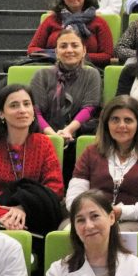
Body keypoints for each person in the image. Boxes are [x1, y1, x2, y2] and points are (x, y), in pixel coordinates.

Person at [0, 85, 64, 238]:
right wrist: (1, 214)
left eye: (26, 104)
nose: (22, 110)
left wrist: (23, 208)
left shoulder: (44, 144)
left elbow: (55, 187)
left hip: (32, 214)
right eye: (14, 105)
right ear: (1, 113)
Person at [67, 96, 138, 232]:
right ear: (106, 124)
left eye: (128, 120)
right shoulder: (90, 152)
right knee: (66, 231)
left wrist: (119, 211)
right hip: (90, 217)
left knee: (115, 235)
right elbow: (74, 197)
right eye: (115, 119)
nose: (121, 125)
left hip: (133, 221)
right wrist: (93, 213)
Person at [30, 27, 101, 179]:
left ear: (84, 50)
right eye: (63, 46)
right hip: (44, 133)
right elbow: (35, 112)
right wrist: (53, 136)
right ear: (56, 52)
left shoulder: (92, 74)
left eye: (75, 45)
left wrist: (68, 130)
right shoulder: (41, 75)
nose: (69, 50)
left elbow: (90, 107)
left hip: (77, 133)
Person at [27, 0, 114, 66]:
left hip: (87, 70)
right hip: (53, 68)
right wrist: (56, 55)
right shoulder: (51, 20)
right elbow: (32, 49)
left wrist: (77, 57)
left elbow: (107, 55)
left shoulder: (99, 22)